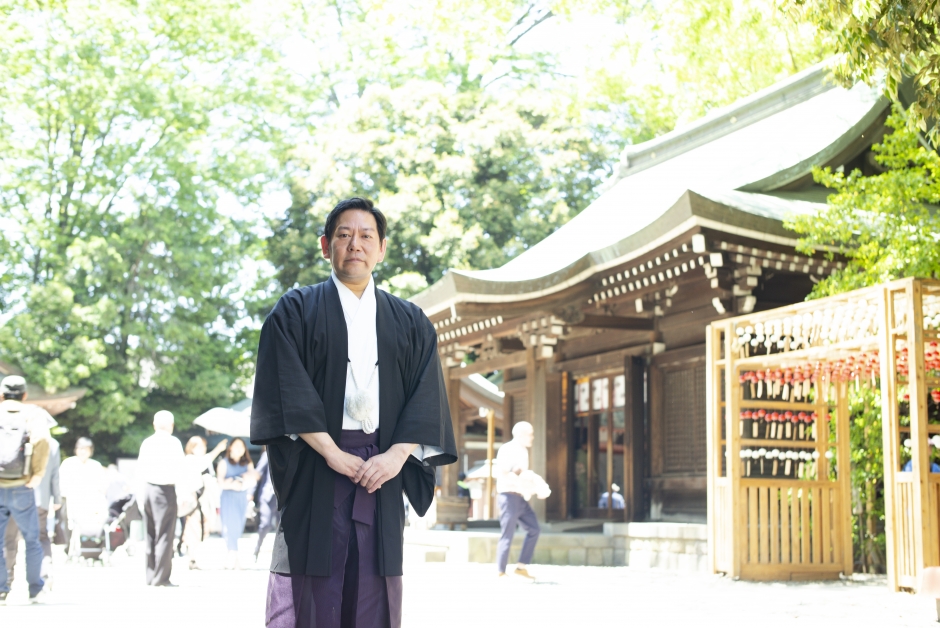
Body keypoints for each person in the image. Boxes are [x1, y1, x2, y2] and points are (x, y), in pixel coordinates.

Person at [250, 197, 457, 628]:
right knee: (308, 589)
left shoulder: (411, 320)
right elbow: (286, 387)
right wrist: (331, 453)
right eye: (344, 235)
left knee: (373, 589)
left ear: (382, 248)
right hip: (315, 463)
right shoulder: (295, 311)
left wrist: (396, 457)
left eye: (366, 236)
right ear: (326, 246)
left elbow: (426, 396)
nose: (355, 244)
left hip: (382, 467)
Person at [0, 375, 51, 604]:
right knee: (32, 539)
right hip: (22, 486)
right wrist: (37, 474)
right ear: (24, 395)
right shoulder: (33, 413)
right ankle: (35, 590)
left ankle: (1, 589)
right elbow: (42, 440)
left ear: (2, 395)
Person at [4, 418, 59, 591]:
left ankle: (5, 583)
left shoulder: (11, 433)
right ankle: (40, 580)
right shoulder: (53, 443)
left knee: (8, 539)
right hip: (37, 497)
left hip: (10, 488)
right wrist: (56, 499)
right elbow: (55, 475)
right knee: (38, 538)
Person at [136, 410, 184, 587]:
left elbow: (139, 469)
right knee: (165, 534)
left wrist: (140, 496)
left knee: (150, 534)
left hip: (148, 489)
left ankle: (151, 576)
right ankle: (161, 578)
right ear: (171, 425)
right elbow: (180, 471)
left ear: (154, 424)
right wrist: (183, 494)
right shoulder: (173, 443)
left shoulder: (147, 442)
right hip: (165, 491)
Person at [495, 421, 547, 581]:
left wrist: (533, 486)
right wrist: (525, 482)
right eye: (530, 434)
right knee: (507, 534)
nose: (532, 437)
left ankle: (521, 566)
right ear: (520, 434)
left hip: (520, 497)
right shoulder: (507, 449)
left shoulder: (523, 451)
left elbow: (522, 475)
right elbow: (504, 473)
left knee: (534, 529)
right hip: (508, 496)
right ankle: (501, 571)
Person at [178, 436, 227, 570]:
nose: (202, 449)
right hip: (192, 502)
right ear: (191, 447)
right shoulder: (189, 459)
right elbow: (203, 463)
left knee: (202, 529)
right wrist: (218, 449)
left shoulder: (200, 460)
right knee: (194, 529)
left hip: (202, 501)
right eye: (199, 446)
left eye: (203, 446)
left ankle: (192, 556)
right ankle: (192, 558)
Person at [59, 436, 108, 557]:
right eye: (80, 448)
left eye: (86, 449)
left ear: (90, 450)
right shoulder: (68, 463)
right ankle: (69, 550)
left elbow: (102, 487)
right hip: (71, 502)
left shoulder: (96, 465)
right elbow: (62, 485)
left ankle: (92, 549)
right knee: (69, 526)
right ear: (76, 450)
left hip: (91, 504)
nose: (83, 451)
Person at [217, 438, 255, 569]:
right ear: (230, 447)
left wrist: (243, 483)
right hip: (228, 498)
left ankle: (233, 557)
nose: (239, 448)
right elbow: (221, 482)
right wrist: (233, 484)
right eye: (236, 445)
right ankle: (233, 557)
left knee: (238, 527)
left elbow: (252, 479)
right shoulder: (224, 462)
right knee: (229, 527)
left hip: (242, 498)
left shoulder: (248, 463)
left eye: (242, 446)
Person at [253, 447, 279, 562]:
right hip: (268, 495)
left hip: (285, 496)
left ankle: (279, 555)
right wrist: (250, 493)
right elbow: (257, 473)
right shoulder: (267, 453)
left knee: (283, 526)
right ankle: (257, 548)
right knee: (265, 524)